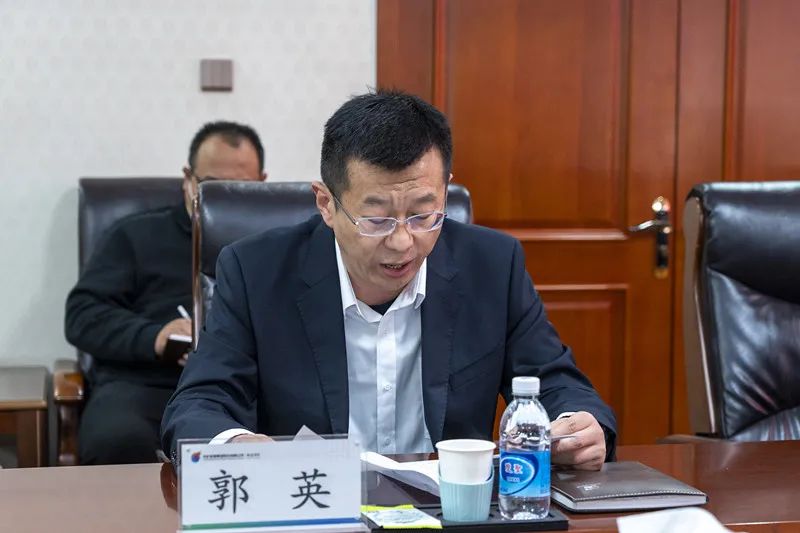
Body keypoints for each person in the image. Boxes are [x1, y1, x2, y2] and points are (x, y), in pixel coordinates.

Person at [161, 92, 616, 470]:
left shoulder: (492, 266)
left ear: (445, 190)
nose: (402, 243)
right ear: (326, 204)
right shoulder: (256, 271)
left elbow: (556, 383)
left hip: (450, 510)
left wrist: (578, 425)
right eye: (376, 219)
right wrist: (237, 445)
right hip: (317, 509)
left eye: (423, 214)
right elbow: (199, 403)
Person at [64, 121, 267, 464]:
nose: (223, 199)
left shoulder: (274, 246)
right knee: (117, 439)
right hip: (147, 385)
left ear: (262, 183)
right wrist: (155, 337)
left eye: (239, 188)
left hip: (239, 388)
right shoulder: (136, 235)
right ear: (188, 179)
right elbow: (83, 315)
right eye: (212, 186)